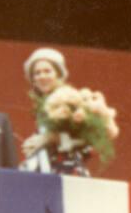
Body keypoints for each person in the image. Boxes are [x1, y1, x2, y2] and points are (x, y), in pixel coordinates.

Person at [21, 47, 92, 176]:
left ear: (58, 74)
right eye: (37, 73)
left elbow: (88, 143)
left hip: (69, 174)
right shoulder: (41, 107)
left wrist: (50, 139)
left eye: (47, 71)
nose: (42, 76)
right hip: (46, 173)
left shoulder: (72, 100)